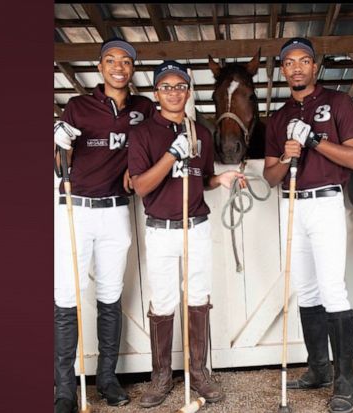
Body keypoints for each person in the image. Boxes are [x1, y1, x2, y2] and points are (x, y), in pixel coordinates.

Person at [128, 60, 243, 408]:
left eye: (180, 87)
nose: (174, 92)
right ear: (156, 93)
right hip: (161, 229)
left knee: (198, 298)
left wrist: (219, 180)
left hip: (196, 227)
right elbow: (140, 186)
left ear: (188, 92)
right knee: (162, 303)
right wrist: (170, 154)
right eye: (167, 87)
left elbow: (201, 178)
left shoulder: (201, 133)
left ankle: (198, 372)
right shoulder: (143, 134)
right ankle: (161, 376)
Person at [262, 37, 353, 413]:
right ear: (283, 70)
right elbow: (270, 176)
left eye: (303, 61)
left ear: (314, 66)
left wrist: (316, 141)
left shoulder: (338, 103)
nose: (297, 68)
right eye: (289, 63)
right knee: (306, 291)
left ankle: (346, 380)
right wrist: (287, 154)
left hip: (325, 202)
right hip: (293, 204)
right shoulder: (277, 118)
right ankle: (318, 369)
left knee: (332, 289)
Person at [52, 38, 154, 412]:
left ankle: (107, 379)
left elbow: (152, 147)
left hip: (116, 211)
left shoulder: (144, 108)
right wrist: (57, 141)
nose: (118, 66)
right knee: (67, 297)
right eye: (111, 60)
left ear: (132, 69)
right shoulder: (78, 107)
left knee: (110, 296)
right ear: (100, 67)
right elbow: (57, 161)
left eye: (125, 61)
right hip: (74, 210)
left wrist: (136, 165)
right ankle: (65, 388)